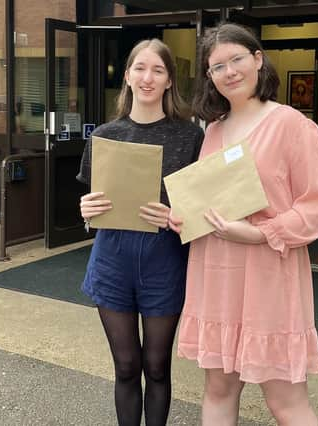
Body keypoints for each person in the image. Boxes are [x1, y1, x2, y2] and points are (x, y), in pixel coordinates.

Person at [170, 23, 318, 425]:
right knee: (218, 390)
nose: (229, 72)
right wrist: (186, 216)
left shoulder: (293, 126)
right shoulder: (213, 130)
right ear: (210, 76)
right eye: (217, 66)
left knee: (286, 401)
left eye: (236, 59)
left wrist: (262, 232)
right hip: (216, 273)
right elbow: (210, 198)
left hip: (268, 274)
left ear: (258, 59)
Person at [76, 39, 204, 426]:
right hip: (112, 258)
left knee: (157, 366)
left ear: (169, 82)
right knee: (127, 366)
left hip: (164, 258)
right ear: (128, 76)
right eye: (140, 68)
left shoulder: (189, 137)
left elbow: (200, 212)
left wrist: (177, 215)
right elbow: (94, 205)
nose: (148, 78)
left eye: (158, 70)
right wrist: (85, 213)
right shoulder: (105, 135)